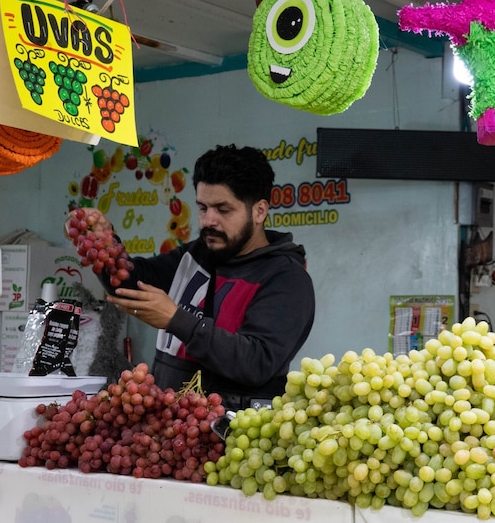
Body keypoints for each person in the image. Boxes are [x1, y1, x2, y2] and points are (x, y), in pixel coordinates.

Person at [67, 144, 315, 411]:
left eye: (223, 209)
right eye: (203, 208)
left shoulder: (286, 278)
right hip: (171, 430)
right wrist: (103, 240)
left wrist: (177, 320)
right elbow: (129, 284)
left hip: (234, 437)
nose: (209, 220)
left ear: (259, 211)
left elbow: (256, 362)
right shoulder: (197, 254)